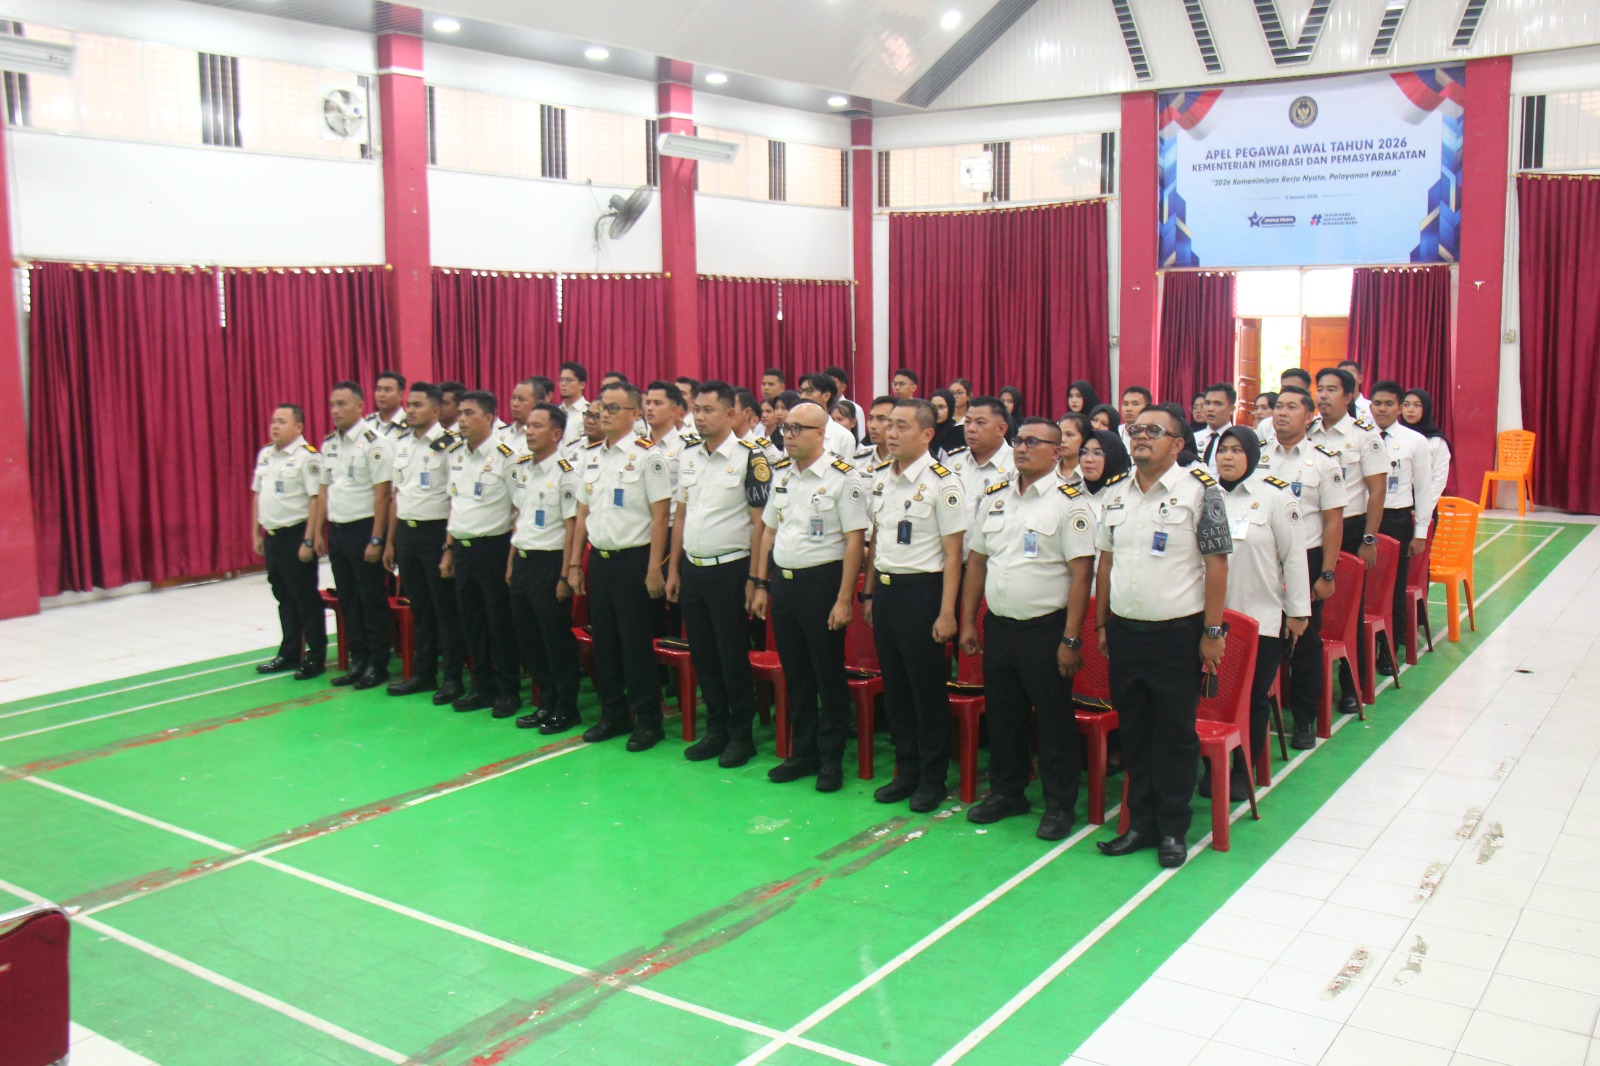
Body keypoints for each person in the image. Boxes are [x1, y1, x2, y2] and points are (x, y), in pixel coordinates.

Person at [1094, 406, 1232, 868]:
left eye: (1154, 430)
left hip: (1177, 635)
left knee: (1174, 735)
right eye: (1136, 429)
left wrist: (1212, 630)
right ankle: (1140, 824)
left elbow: (1217, 564)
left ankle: (1173, 828)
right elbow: (1106, 562)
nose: (1141, 436)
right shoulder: (1116, 492)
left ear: (1177, 444)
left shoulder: (1201, 492)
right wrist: (1101, 622)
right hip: (1125, 632)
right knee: (1134, 732)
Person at [959, 417, 1096, 840]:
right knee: (1004, 716)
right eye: (1019, 440)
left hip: (1046, 629)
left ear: (1057, 451)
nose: (1021, 447)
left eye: (1033, 442)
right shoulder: (995, 495)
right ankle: (1008, 792)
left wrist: (1071, 638)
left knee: (1053, 721)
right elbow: (977, 561)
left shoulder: (1070, 502)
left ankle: (1059, 804)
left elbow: (1082, 573)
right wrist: (967, 620)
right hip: (1000, 625)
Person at [750, 401, 869, 790]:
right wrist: (762, 583)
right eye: (787, 427)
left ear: (821, 434)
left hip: (822, 583)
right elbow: (769, 530)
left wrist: (843, 599)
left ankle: (831, 759)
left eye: (798, 428)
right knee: (796, 672)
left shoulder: (843, 478)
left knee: (826, 673)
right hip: (784, 582)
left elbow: (854, 542)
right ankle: (803, 753)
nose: (789, 435)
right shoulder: (783, 473)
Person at [863, 399, 967, 812]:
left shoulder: (943, 483)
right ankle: (905, 771)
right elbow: (877, 541)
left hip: (923, 593)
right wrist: (869, 592)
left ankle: (931, 778)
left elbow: (954, 555)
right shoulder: (880, 478)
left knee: (926, 692)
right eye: (889, 425)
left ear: (926, 435)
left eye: (901, 426)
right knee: (896, 690)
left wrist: (947, 612)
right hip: (887, 592)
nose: (891, 433)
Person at [666, 381, 770, 768]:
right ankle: (716, 729)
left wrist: (756, 579)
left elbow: (760, 525)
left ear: (730, 414)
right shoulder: (689, 455)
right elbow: (681, 516)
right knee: (704, 654)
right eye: (696, 409)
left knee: (731, 656)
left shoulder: (749, 458)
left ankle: (741, 736)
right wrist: (674, 569)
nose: (700, 417)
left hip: (731, 569)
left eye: (709, 410)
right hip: (693, 568)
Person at [569, 382, 673, 751]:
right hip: (600, 559)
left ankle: (647, 720)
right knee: (606, 643)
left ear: (634, 414)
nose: (604, 414)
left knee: (634, 645)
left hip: (634, 561)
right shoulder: (591, 456)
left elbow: (660, 517)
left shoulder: (648, 457)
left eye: (614, 408)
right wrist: (575, 563)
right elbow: (583, 513)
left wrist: (654, 568)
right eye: (602, 408)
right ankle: (612, 714)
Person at [1210, 427, 1309, 800]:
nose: (1228, 456)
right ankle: (1213, 765)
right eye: (1223, 450)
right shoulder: (1205, 495)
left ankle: (1243, 770)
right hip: (1211, 620)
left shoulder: (1274, 497)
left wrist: (1298, 613)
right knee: (1210, 698)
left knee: (1250, 699)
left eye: (1237, 450)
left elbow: (1294, 557)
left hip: (1260, 619)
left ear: (1252, 455)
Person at [1262, 385, 1347, 750]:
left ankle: (1303, 719)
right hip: (1262, 560)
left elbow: (1333, 522)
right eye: (1278, 406)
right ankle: (1258, 712)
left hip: (1306, 559)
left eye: (1291, 407)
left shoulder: (1323, 461)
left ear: (1309, 416)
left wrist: (1327, 573)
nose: (1281, 413)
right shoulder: (1257, 455)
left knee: (1304, 642)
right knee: (1262, 635)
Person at [440, 391, 522, 718]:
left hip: (494, 548)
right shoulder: (456, 455)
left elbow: (519, 509)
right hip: (463, 548)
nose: (461, 419)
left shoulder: (507, 457)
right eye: (460, 413)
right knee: (472, 621)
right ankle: (481, 686)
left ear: (489, 417)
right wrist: (448, 549)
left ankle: (508, 690)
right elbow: (455, 505)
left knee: (498, 622)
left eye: (469, 413)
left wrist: (512, 557)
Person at [1311, 367, 1387, 715]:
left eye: (1331, 390)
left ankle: (1350, 684)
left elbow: (1377, 490)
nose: (1323, 396)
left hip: (1351, 527)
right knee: (1310, 608)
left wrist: (1369, 538)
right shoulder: (1308, 432)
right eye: (1320, 389)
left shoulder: (1364, 436)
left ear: (1349, 396)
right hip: (1311, 528)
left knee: (1347, 611)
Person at [384, 383, 466, 701]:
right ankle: (423, 673)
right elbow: (397, 495)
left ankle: (453, 679)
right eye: (409, 405)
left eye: (418, 405)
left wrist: (449, 546)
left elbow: (455, 499)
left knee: (444, 610)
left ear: (435, 410)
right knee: (419, 607)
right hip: (407, 532)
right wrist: (390, 542)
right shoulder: (403, 444)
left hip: (436, 534)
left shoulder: (450, 446)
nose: (410, 410)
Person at [507, 403, 582, 734]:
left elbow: (572, 527)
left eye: (538, 426)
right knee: (530, 638)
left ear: (556, 433)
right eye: (528, 426)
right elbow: (520, 518)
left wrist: (566, 574)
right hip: (524, 560)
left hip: (550, 563)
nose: (530, 431)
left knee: (554, 639)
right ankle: (545, 702)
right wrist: (511, 561)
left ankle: (566, 708)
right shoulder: (524, 468)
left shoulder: (566, 473)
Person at [318, 381, 396, 689]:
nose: (336, 411)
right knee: (348, 599)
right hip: (338, 530)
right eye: (332, 405)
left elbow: (383, 495)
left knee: (371, 600)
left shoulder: (374, 443)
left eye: (342, 404)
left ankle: (378, 664)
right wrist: (320, 531)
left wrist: (376, 539)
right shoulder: (330, 444)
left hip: (364, 530)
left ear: (360, 406)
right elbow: (325, 490)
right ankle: (358, 660)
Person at [1368, 381, 1441, 674]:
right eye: (1377, 403)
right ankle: (1363, 648)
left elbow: (1423, 489)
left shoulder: (1414, 441)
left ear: (1399, 408)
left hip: (1396, 519)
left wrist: (1420, 532)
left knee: (1392, 589)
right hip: (1363, 518)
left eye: (1389, 404)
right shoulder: (1360, 436)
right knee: (1362, 587)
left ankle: (1389, 650)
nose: (1382, 409)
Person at [251, 403, 326, 681]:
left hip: (296, 535)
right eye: (273, 420)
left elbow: (316, 499)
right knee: (283, 596)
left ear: (298, 426)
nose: (275, 426)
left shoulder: (308, 457)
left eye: (282, 421)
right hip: (272, 536)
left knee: (305, 598)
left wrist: (310, 539)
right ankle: (290, 652)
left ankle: (316, 655)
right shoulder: (266, 455)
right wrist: (256, 533)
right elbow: (258, 495)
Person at [948, 397, 1014, 543]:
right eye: (968, 422)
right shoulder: (953, 462)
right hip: (952, 553)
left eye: (980, 423)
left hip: (993, 553)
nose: (971, 429)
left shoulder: (1016, 466)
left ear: (1001, 429)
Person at [1402, 388, 1452, 506]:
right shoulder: (1393, 436)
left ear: (1426, 408)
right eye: (1406, 405)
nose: (1410, 410)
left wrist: (1424, 506)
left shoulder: (1436, 441)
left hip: (1424, 502)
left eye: (1417, 405)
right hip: (1396, 503)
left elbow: (1439, 479)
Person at [798, 373, 858, 459]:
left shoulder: (843, 437)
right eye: (801, 392)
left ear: (826, 396)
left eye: (809, 391)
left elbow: (847, 467)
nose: (802, 396)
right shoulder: (794, 432)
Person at [1078, 429, 1132, 510]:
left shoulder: (1129, 495)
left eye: (1097, 453)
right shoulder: (1072, 494)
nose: (1088, 459)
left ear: (1113, 457)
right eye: (1084, 452)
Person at [1196, 382, 1237, 470]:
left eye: (1218, 404)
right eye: (1207, 403)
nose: (1210, 409)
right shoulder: (1194, 438)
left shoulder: (1238, 440)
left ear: (1231, 409)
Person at [497, 378, 540, 454]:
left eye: (521, 399)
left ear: (538, 403)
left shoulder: (542, 437)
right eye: (513, 398)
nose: (515, 404)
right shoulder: (499, 433)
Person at [364, 370, 409, 438]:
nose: (381, 394)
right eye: (378, 389)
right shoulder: (368, 423)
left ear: (400, 395)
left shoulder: (412, 426)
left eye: (387, 390)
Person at [1056, 412, 1093, 488]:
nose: (1062, 440)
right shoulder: (1047, 472)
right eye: (1059, 434)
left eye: (1069, 435)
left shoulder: (1093, 474)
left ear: (1085, 438)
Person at [557, 361, 590, 446]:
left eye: (569, 380)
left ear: (582, 385)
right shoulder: (555, 412)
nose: (563, 384)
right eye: (561, 380)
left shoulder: (589, 412)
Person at [929, 389, 964, 458]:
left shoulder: (958, 433)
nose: (937, 412)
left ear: (950, 408)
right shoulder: (926, 432)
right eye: (933, 407)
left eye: (941, 407)